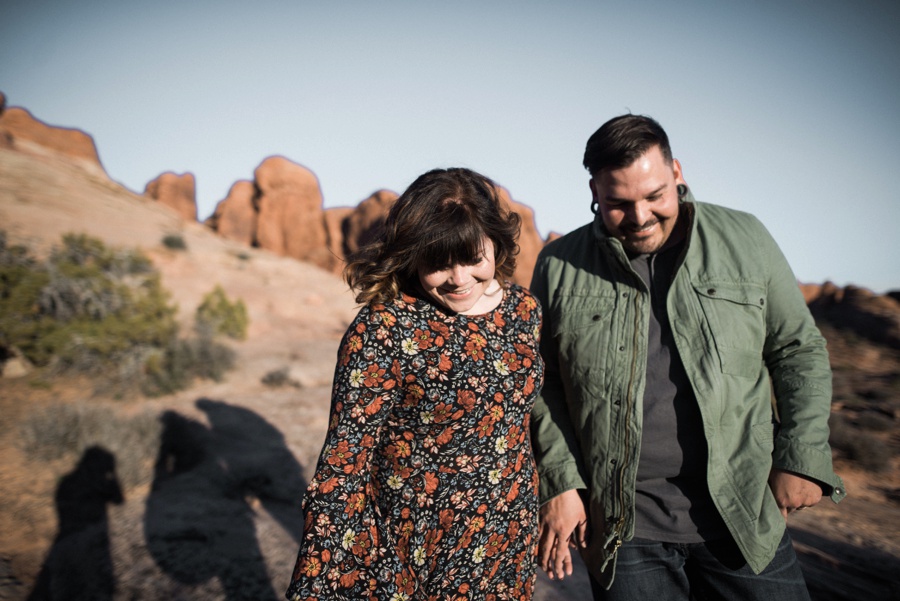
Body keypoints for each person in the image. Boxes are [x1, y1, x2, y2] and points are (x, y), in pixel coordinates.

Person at [529, 114, 845, 600]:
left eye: (655, 196)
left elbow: (796, 349)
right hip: (623, 527)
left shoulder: (745, 239)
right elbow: (542, 382)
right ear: (594, 189)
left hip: (741, 512)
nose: (639, 217)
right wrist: (560, 484)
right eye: (618, 203)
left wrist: (802, 457)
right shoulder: (559, 264)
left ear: (677, 171)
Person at [286, 167, 544, 600]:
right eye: (438, 264)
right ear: (412, 257)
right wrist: (321, 579)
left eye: (473, 259)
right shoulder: (385, 328)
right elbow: (345, 461)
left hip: (508, 541)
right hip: (420, 555)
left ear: (497, 244)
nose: (459, 280)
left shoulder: (523, 311)